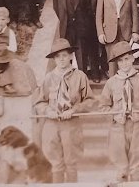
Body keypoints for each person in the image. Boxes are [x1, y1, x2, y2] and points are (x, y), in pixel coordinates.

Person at [34, 38, 95, 183]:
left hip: (71, 125)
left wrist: (74, 110)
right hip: (52, 125)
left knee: (71, 164)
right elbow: (39, 102)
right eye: (57, 56)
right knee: (56, 165)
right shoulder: (48, 78)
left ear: (70, 56)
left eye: (64, 55)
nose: (61, 59)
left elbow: (90, 101)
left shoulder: (80, 76)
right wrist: (48, 111)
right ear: (54, 59)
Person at [96, 41, 139, 182]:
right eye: (120, 61)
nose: (124, 63)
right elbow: (103, 106)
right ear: (117, 63)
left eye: (127, 59)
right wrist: (114, 115)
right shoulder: (111, 83)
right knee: (121, 169)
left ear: (133, 58)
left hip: (137, 126)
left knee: (136, 167)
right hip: (118, 127)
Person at [51, 0, 98, 79]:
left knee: (81, 55)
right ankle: (67, 79)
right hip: (66, 29)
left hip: (81, 29)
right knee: (65, 55)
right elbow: (58, 10)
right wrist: (66, 21)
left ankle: (82, 80)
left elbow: (88, 10)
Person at [95, 0, 139, 75]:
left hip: (126, 31)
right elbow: (99, 15)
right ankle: (114, 88)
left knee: (126, 60)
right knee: (112, 62)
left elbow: (134, 13)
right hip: (110, 31)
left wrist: (135, 31)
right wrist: (100, 33)